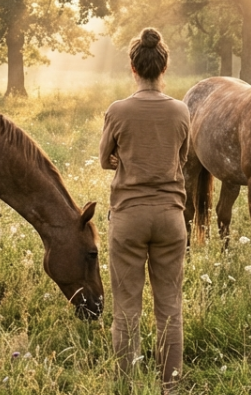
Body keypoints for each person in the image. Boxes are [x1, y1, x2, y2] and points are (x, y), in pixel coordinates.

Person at [99, 27, 190, 391]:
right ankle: (170, 386)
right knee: (170, 308)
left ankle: (126, 385)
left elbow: (105, 160)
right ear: (163, 67)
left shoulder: (118, 111)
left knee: (126, 310)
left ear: (133, 68)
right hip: (171, 218)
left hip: (129, 218)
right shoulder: (181, 111)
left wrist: (126, 159)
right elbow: (181, 161)